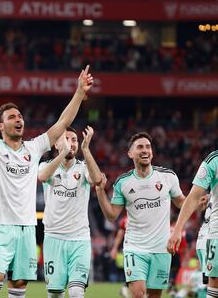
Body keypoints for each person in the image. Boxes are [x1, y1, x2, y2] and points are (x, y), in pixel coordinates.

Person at [0, 56, 93, 298]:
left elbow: (63, 122)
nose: (18, 119)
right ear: (0, 126)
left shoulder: (33, 148)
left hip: (27, 227)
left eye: (19, 116)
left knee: (20, 283)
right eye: (11, 117)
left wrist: (79, 92)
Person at [95, 132, 186, 298]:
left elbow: (181, 202)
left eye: (148, 147)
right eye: (140, 147)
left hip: (162, 248)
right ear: (130, 153)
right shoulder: (123, 182)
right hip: (135, 247)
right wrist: (100, 191)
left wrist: (197, 203)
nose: (145, 150)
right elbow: (112, 215)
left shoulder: (168, 176)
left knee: (154, 296)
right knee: (138, 294)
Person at [38, 126, 102, 298]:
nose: (71, 144)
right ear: (56, 144)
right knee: (55, 294)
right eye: (66, 139)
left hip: (79, 238)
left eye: (74, 140)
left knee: (75, 292)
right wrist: (61, 155)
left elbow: (96, 180)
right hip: (53, 238)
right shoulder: (46, 166)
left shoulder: (83, 168)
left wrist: (86, 150)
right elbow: (43, 177)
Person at [168, 150, 218, 298]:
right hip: (216, 233)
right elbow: (193, 197)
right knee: (214, 284)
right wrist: (177, 230)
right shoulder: (214, 160)